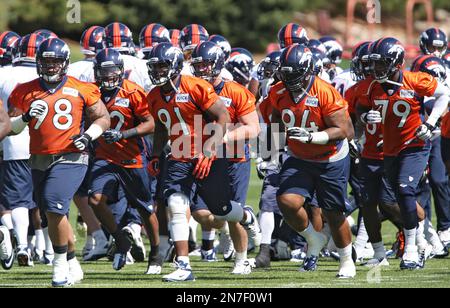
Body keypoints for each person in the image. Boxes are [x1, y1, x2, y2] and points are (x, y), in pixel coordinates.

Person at [146, 42, 259, 282]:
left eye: (162, 66)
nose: (156, 71)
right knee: (177, 204)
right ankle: (184, 265)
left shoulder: (201, 87)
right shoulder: (154, 95)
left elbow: (227, 119)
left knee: (223, 210)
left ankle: (246, 220)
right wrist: (156, 154)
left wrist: (208, 151)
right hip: (180, 155)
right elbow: (160, 126)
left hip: (217, 155)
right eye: (153, 67)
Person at [8, 38, 110, 287]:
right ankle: (73, 260)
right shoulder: (24, 90)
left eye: (55, 62)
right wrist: (24, 118)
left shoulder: (82, 88)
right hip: (39, 158)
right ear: (38, 62)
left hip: (72, 156)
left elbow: (103, 118)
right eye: (46, 61)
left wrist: (87, 136)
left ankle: (59, 266)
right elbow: (9, 127)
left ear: (64, 63)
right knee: (51, 215)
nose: (51, 66)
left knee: (54, 207)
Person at [357, 37, 449, 269]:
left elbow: (444, 94)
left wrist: (429, 123)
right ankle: (412, 246)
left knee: (405, 190)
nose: (376, 68)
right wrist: (365, 117)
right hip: (389, 148)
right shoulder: (371, 86)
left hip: (415, 146)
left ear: (396, 62)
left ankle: (411, 250)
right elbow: (360, 107)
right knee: (389, 199)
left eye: (382, 63)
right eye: (374, 63)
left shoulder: (414, 80)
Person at [267, 44, 356, 278]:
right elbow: (276, 118)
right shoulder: (277, 92)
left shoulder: (324, 92)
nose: (287, 77)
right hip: (299, 156)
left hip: (330, 158)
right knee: (286, 200)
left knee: (333, 212)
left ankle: (347, 261)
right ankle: (313, 239)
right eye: (284, 72)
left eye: (292, 72)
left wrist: (312, 137)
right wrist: (273, 152)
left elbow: (345, 130)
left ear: (307, 70)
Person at [88, 48, 163, 274]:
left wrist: (124, 134)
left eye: (112, 72)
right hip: (105, 156)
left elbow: (151, 124)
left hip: (132, 157)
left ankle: (156, 252)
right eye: (103, 72)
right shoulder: (91, 92)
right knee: (95, 200)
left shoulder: (132, 92)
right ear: (96, 73)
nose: (108, 77)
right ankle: (121, 240)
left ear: (121, 72)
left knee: (144, 207)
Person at [191, 41, 261, 273]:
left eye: (206, 65)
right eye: (197, 65)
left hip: (233, 159)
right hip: (202, 157)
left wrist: (223, 138)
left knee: (230, 213)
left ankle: (241, 261)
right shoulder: (191, 89)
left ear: (218, 65)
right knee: (201, 213)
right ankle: (245, 217)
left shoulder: (235, 91)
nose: (201, 70)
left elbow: (253, 128)